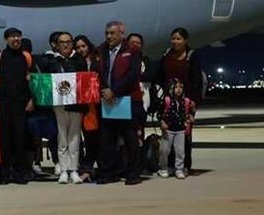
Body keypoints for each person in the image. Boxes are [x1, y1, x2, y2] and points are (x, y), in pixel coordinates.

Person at [151, 27, 204, 173]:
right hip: (168, 100)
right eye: (173, 38)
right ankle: (168, 165)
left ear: (185, 40)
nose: (175, 41)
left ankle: (184, 165)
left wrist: (194, 101)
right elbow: (160, 76)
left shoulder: (192, 56)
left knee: (184, 135)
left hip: (185, 101)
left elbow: (197, 80)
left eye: (178, 39)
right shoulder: (167, 54)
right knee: (167, 133)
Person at [97, 20, 144, 185]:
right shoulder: (101, 49)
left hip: (126, 100)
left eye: (112, 33)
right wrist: (104, 90)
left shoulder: (132, 51)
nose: (109, 36)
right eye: (107, 33)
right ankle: (109, 173)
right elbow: (98, 73)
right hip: (107, 100)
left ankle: (133, 173)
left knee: (130, 139)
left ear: (121, 34)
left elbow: (133, 75)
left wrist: (114, 91)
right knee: (107, 139)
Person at [38, 32, 86, 184]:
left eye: (68, 42)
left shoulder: (79, 59)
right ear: (56, 44)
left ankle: (74, 170)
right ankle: (63, 170)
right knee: (62, 138)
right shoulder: (51, 59)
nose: (65, 45)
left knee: (75, 138)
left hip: (76, 104)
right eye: (62, 42)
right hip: (59, 104)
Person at [0, 27, 34, 184]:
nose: (16, 39)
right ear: (6, 39)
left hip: (21, 103)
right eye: (12, 37)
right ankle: (5, 172)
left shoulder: (26, 56)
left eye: (18, 36)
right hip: (3, 102)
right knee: (4, 138)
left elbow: (33, 80)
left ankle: (21, 173)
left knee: (20, 138)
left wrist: (32, 100)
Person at [73, 35, 102, 182]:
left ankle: (94, 168)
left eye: (83, 46)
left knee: (96, 138)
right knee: (85, 138)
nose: (81, 50)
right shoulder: (75, 61)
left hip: (98, 103)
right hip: (83, 104)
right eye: (78, 47)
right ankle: (85, 168)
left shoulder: (98, 59)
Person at [157, 79, 195, 179]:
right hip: (168, 129)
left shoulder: (185, 101)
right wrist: (162, 122)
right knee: (165, 150)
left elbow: (186, 113)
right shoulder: (166, 100)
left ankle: (179, 169)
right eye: (176, 87)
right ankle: (163, 168)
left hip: (180, 130)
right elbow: (160, 114)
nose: (179, 90)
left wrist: (190, 117)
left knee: (180, 151)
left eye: (181, 87)